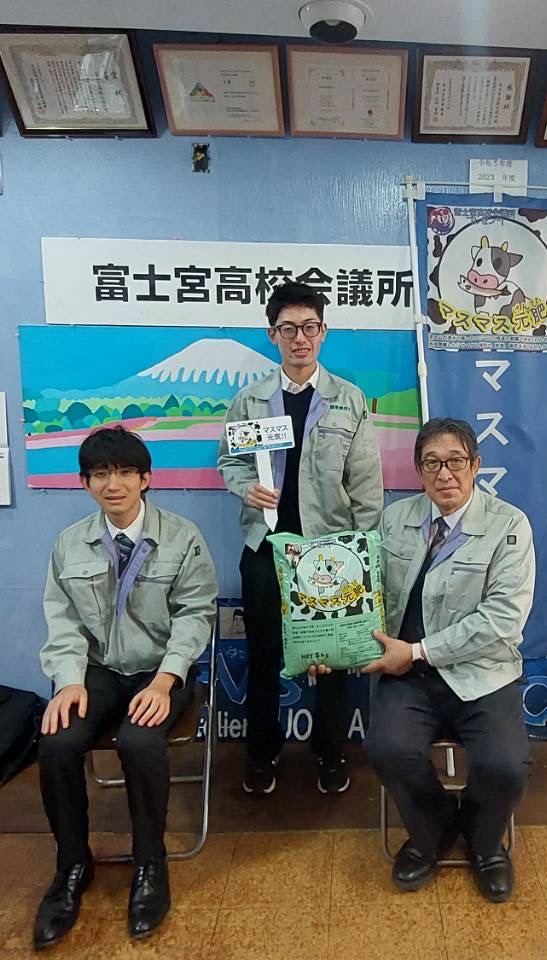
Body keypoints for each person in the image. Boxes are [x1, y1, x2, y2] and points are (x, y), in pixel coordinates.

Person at [33, 427, 217, 949]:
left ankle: (150, 864)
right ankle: (72, 865)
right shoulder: (70, 543)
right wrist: (68, 682)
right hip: (98, 671)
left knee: (139, 742)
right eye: (100, 474)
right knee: (57, 741)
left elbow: (196, 614)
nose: (113, 484)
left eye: (125, 473)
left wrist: (165, 680)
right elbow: (63, 621)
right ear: (85, 483)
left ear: (146, 479)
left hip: (162, 670)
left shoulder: (181, 537)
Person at [217, 281, 383, 796]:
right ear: (273, 335)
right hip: (266, 549)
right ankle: (262, 753)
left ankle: (331, 752)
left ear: (323, 332)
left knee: (333, 658)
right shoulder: (250, 400)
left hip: (329, 553)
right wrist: (245, 488)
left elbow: (366, 485)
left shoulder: (347, 400)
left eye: (310, 327)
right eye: (288, 329)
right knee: (264, 655)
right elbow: (229, 461)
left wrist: (365, 555)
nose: (300, 338)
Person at [362, 417, 534, 902]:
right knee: (388, 748)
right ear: (418, 470)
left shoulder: (509, 525)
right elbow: (366, 596)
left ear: (476, 465)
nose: (445, 474)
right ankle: (432, 832)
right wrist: (333, 646)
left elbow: (502, 620)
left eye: (456, 461)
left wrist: (418, 650)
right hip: (409, 676)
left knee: (506, 764)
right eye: (432, 463)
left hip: (483, 673)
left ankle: (485, 842)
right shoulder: (394, 520)